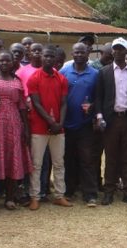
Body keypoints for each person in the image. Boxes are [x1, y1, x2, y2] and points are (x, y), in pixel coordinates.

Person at [0, 51, 32, 211]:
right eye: (1, 60)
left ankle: (9, 198)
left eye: (7, 61)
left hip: (13, 124)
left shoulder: (18, 81)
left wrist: (26, 129)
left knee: (11, 159)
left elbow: (22, 107)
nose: (4, 63)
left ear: (12, 63)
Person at [95, 38, 127, 206]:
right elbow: (98, 97)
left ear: (126, 51)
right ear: (112, 52)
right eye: (115, 49)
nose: (117, 51)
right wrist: (99, 116)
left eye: (121, 49)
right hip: (111, 120)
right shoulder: (104, 72)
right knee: (111, 157)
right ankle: (109, 191)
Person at [27, 46, 73, 209]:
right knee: (37, 164)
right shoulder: (34, 78)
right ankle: (35, 196)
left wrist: (59, 123)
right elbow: (36, 103)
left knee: (59, 163)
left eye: (51, 56)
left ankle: (60, 195)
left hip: (58, 128)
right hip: (39, 127)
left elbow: (64, 103)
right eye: (46, 56)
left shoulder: (61, 78)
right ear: (41, 58)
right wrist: (50, 121)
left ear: (55, 59)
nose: (48, 59)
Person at [60, 43, 101, 206]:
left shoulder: (95, 74)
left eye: (82, 52)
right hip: (67, 123)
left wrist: (92, 107)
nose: (79, 55)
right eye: (76, 52)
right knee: (68, 159)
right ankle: (69, 190)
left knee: (87, 159)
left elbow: (99, 97)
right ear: (72, 53)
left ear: (88, 54)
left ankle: (90, 194)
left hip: (85, 124)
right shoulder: (64, 72)